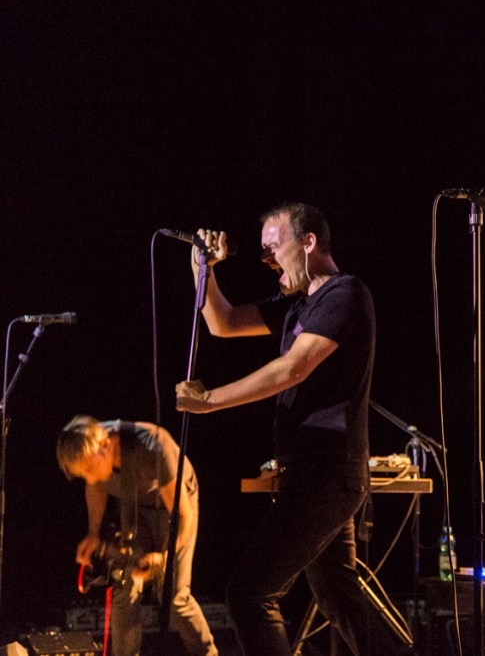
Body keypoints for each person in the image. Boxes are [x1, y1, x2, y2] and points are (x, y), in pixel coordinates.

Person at [174, 202, 375, 656]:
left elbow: (292, 368)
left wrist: (210, 400)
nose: (265, 258)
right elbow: (223, 322)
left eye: (273, 247)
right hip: (313, 471)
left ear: (308, 243)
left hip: (329, 471)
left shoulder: (344, 294)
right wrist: (202, 269)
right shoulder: (296, 305)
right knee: (339, 596)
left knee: (250, 593)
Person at [57, 416, 218, 656]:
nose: (90, 478)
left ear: (106, 446)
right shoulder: (93, 450)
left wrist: (164, 556)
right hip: (135, 509)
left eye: (90, 470)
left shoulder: (154, 445)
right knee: (125, 584)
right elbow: (95, 487)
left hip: (174, 509)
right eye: (83, 475)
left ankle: (208, 653)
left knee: (174, 596)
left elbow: (183, 516)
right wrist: (93, 533)